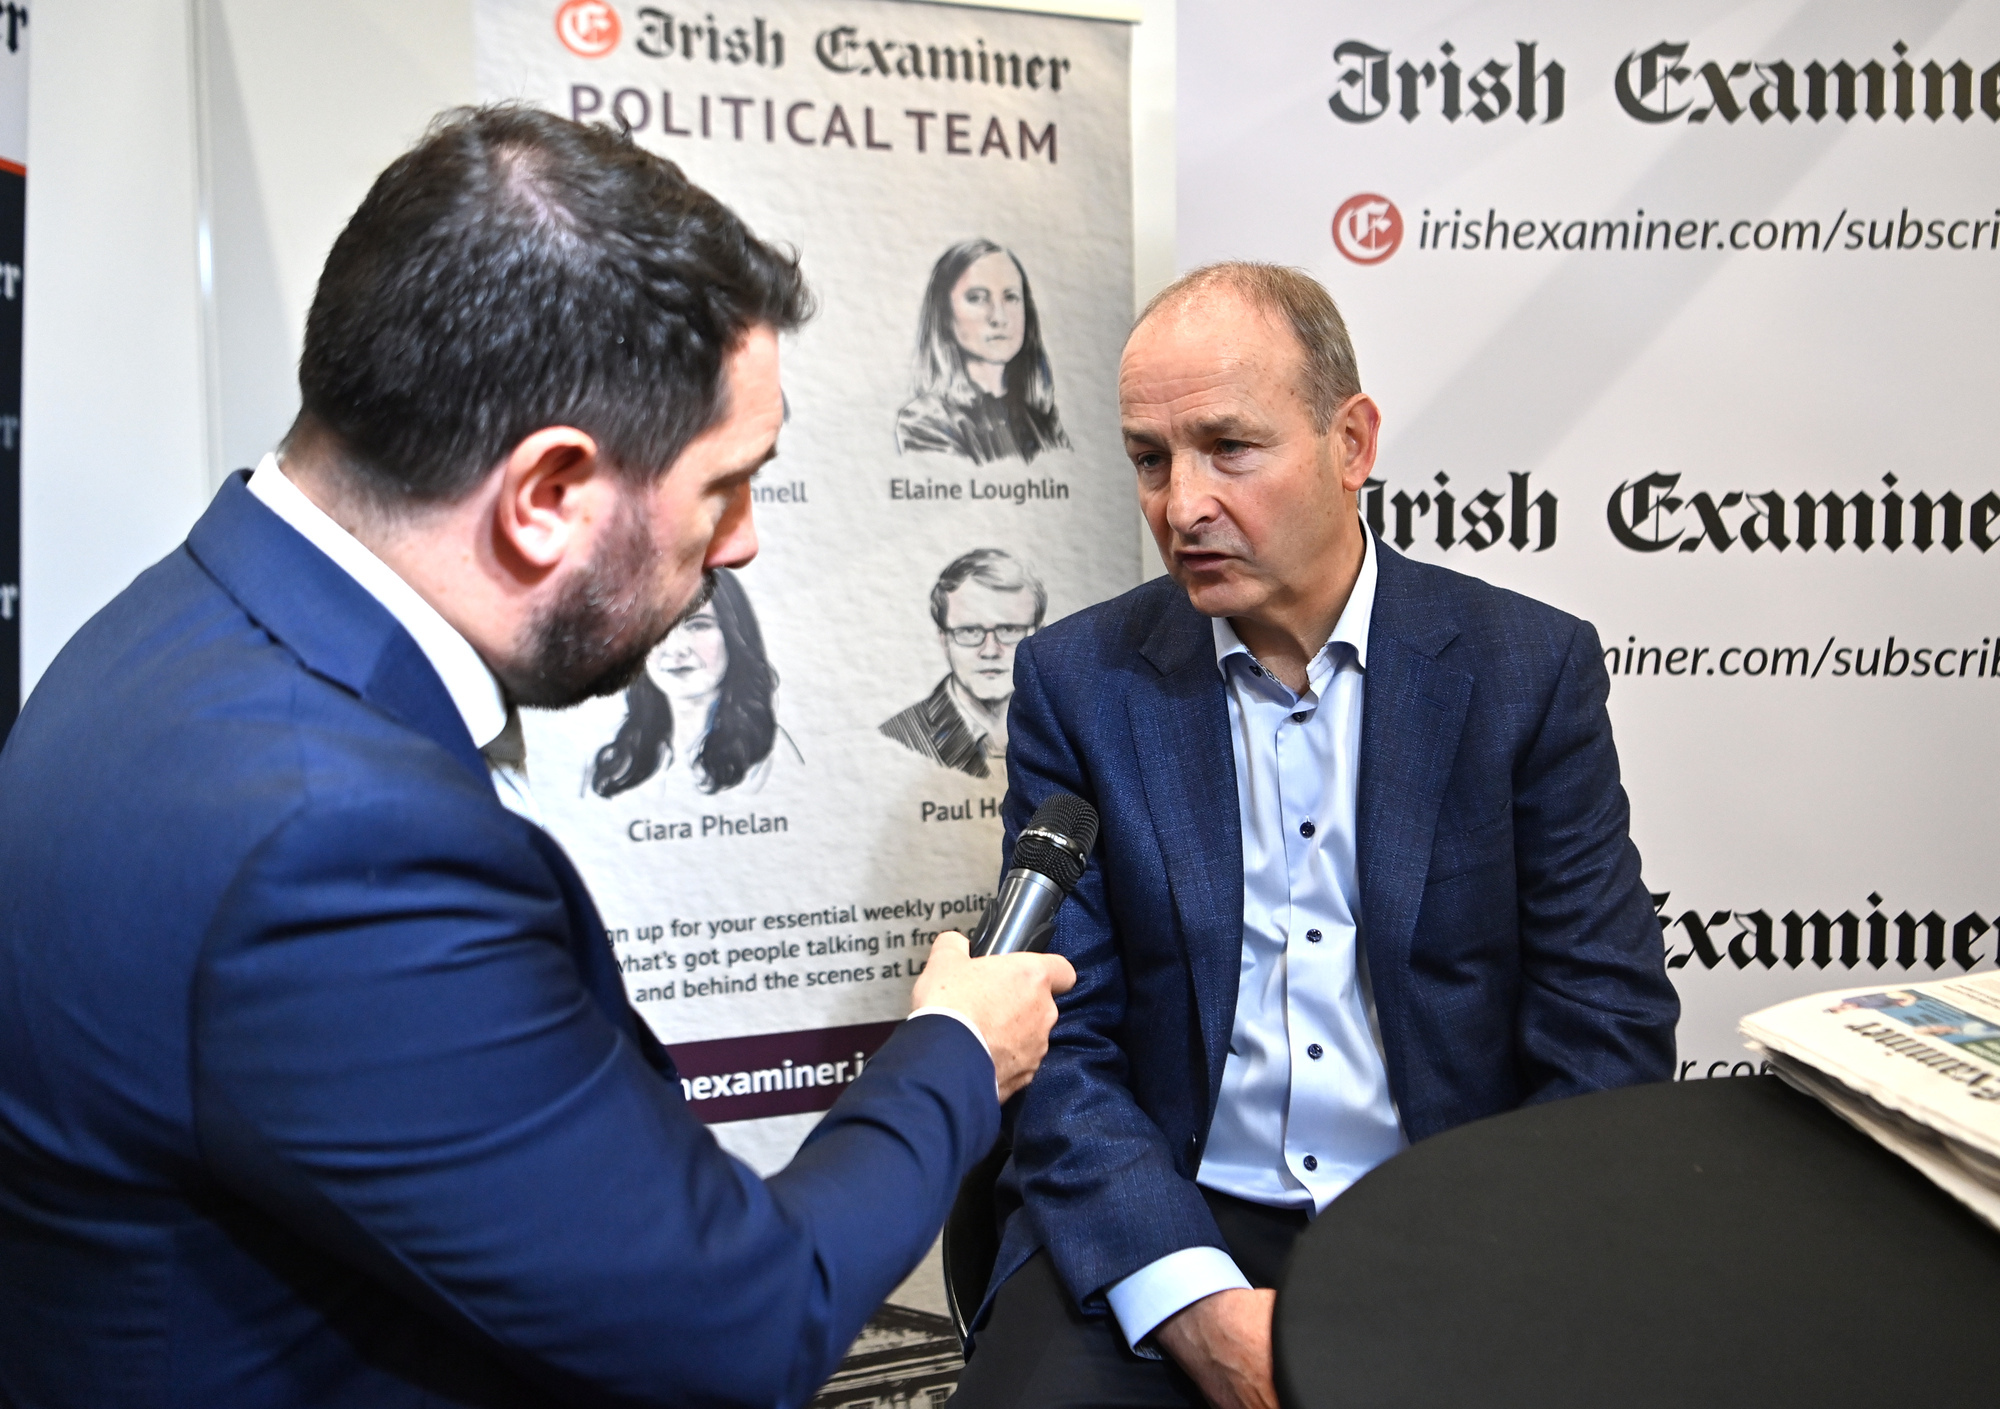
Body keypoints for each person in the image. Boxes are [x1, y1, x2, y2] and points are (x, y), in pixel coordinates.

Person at [0, 106, 1074, 1409]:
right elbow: (740, 1321)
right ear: (547, 493)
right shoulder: (335, 845)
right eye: (723, 484)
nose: (741, 540)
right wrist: (955, 1049)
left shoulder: (170, 631)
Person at [949, 264, 1679, 1409]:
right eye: (1150, 458)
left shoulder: (1523, 671)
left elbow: (1605, 1025)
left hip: (1452, 1214)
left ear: (1350, 442)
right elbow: (1060, 1039)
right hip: (1164, 1207)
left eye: (1227, 447)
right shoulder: (1076, 684)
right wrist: (1195, 1302)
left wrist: (1468, 1270)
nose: (1181, 505)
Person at [590, 567, 800, 797]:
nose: (676, 649)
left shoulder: (771, 756)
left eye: (698, 625)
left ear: (733, 634)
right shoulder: (616, 757)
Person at [895, 238, 1070, 464]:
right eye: (977, 298)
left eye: (1011, 297)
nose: (999, 317)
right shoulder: (925, 421)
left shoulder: (1043, 419)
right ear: (944, 314)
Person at [880, 547, 1044, 778]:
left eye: (1009, 629)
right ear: (944, 640)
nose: (990, 651)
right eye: (969, 631)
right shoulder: (899, 739)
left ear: (1041, 636)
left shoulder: (1067, 727)